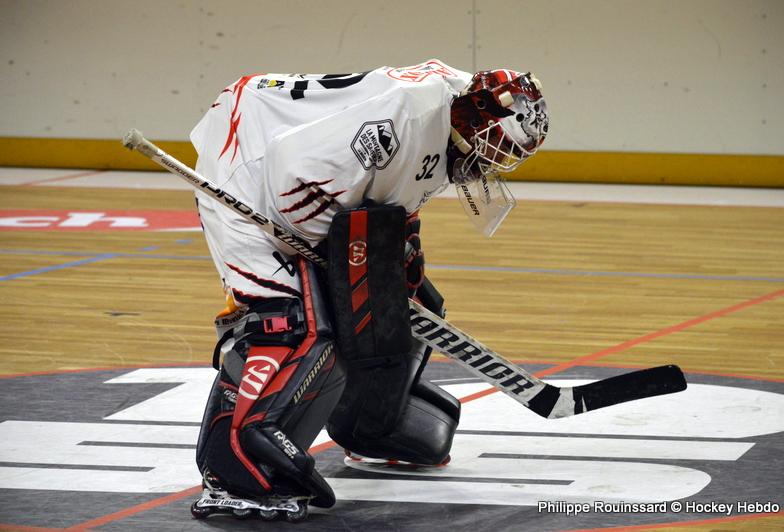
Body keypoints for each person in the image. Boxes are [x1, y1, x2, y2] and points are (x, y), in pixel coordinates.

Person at [188, 59, 549, 521]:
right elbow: (290, 187)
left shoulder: (463, 108)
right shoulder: (399, 122)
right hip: (247, 162)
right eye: (492, 149)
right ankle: (234, 466)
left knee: (403, 298)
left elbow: (386, 186)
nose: (490, 164)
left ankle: (371, 423)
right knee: (290, 321)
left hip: (308, 173)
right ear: (471, 120)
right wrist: (337, 275)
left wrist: (385, 258)